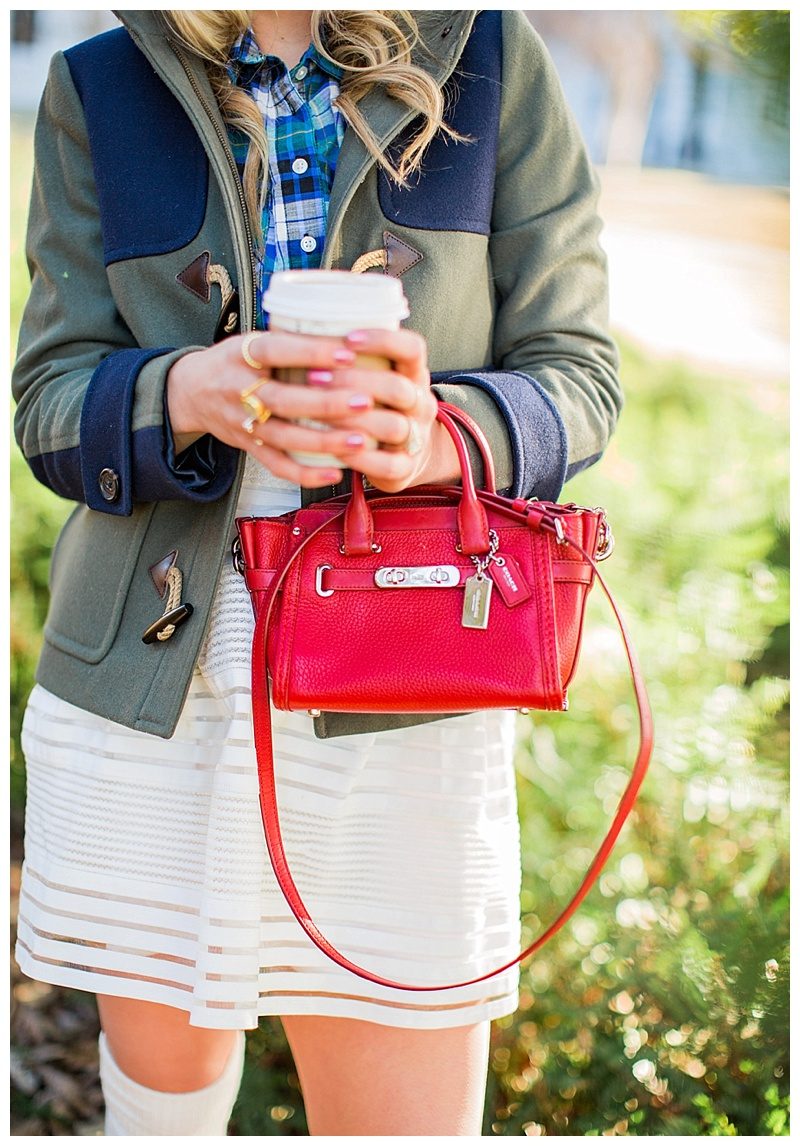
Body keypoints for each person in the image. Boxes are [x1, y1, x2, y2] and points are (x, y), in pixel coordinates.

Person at [12, 9, 621, 1137]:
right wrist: (185, 392)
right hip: (147, 697)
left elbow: (578, 375)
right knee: (158, 1124)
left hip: (404, 683)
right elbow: (49, 403)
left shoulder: (486, 54)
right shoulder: (101, 81)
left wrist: (433, 437)